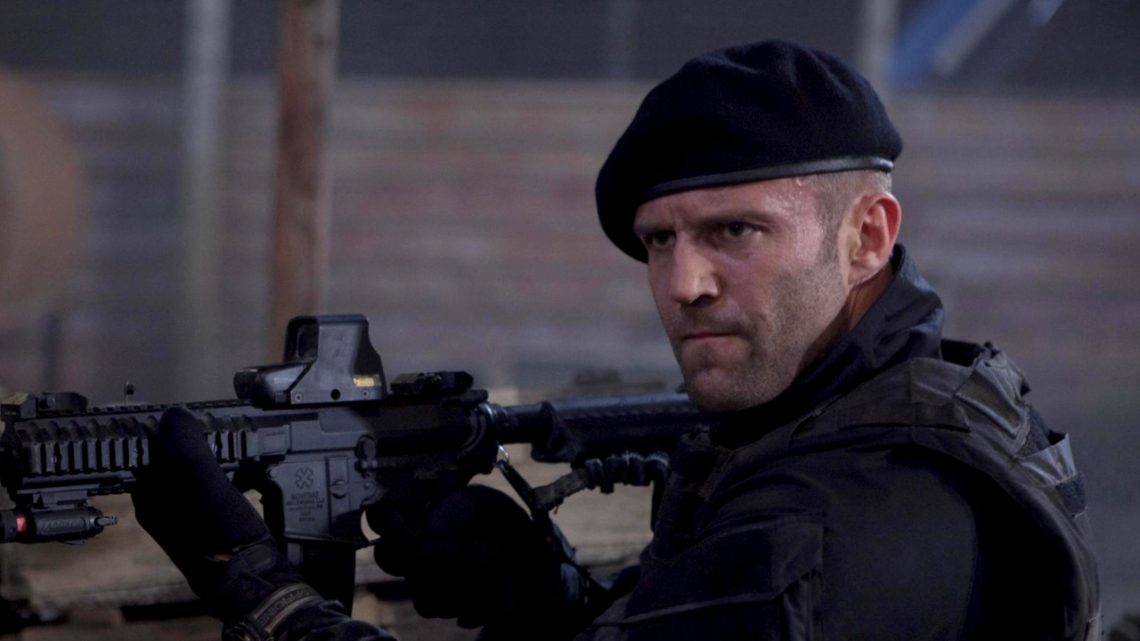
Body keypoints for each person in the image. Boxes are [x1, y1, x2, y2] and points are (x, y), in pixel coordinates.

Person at [130, 40, 1100, 641]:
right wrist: (545, 593)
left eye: (735, 231)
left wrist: (260, 589)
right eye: (659, 241)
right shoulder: (883, 409)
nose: (683, 284)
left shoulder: (834, 525)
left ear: (868, 237)